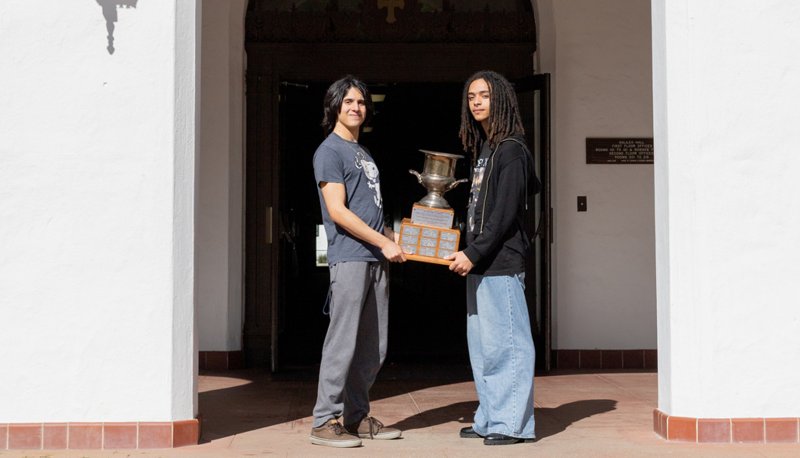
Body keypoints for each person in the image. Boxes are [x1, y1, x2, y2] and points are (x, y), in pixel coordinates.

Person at [310, 75, 406, 448]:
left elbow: (369, 211)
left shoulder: (363, 154)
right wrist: (383, 240)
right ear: (334, 106)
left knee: (373, 345)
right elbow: (337, 211)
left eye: (361, 102)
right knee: (343, 341)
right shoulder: (329, 151)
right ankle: (324, 419)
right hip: (350, 258)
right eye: (348, 101)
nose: (356, 108)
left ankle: (355, 416)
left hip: (375, 259)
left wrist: (392, 237)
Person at [445, 70, 539, 445]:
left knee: (508, 347)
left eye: (485, 95)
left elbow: (503, 214)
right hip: (481, 264)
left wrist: (474, 251)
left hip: (501, 263)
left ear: (501, 99)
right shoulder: (485, 149)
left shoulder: (512, 149)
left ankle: (512, 425)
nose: (478, 102)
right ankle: (490, 418)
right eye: (472, 97)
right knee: (484, 349)